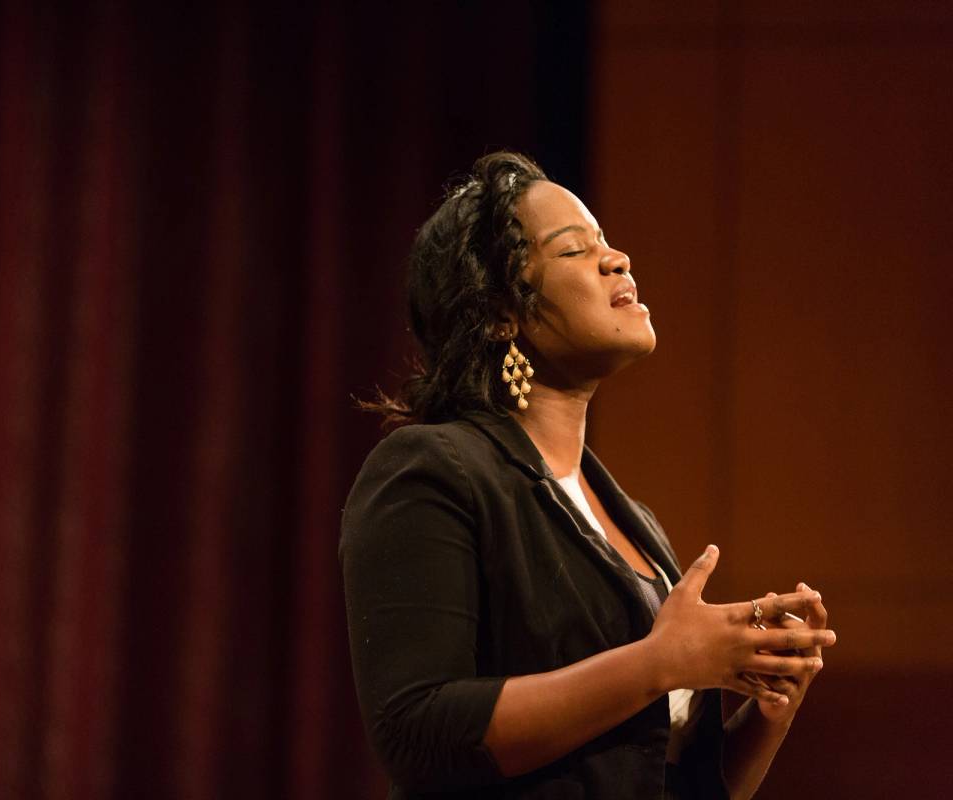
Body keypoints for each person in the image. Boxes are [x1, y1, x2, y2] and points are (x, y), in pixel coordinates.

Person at [339, 151, 835, 799]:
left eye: (605, 240)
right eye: (574, 250)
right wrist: (658, 664)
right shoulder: (433, 471)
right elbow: (420, 733)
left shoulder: (633, 522)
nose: (617, 258)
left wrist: (770, 707)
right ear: (499, 313)